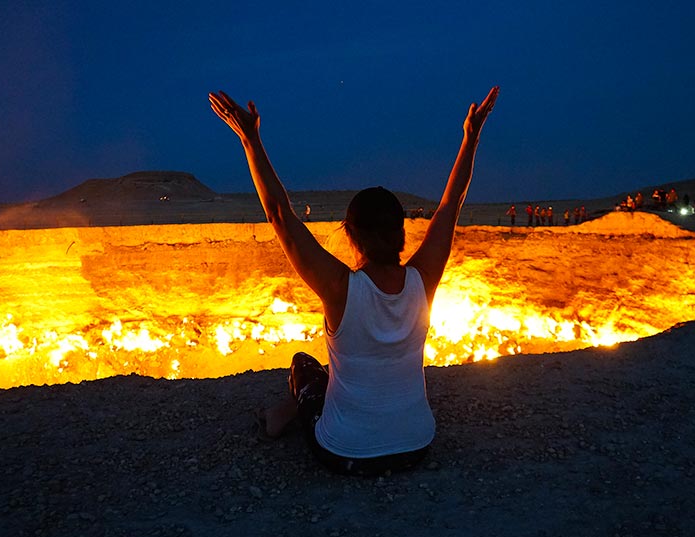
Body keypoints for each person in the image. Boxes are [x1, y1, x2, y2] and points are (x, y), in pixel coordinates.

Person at [209, 86, 499, 475]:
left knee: (305, 371)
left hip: (346, 453)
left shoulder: (341, 289)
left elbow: (280, 215)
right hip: (417, 446)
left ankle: (283, 416)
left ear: (351, 235)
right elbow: (451, 205)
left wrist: (250, 139)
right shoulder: (422, 280)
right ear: (401, 234)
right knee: (344, 374)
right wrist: (471, 138)